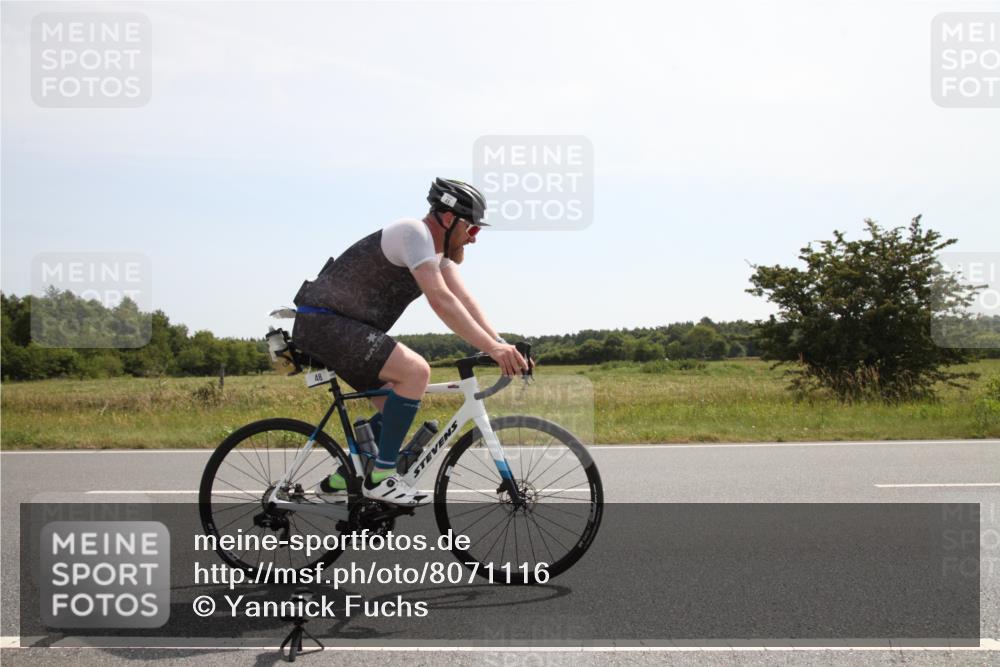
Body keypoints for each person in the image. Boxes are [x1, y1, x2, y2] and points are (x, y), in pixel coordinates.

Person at [291, 178, 529, 506]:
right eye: (472, 230)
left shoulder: (437, 253)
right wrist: (492, 349)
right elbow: (441, 300)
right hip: (324, 321)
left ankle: (339, 482)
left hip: (343, 327)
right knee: (416, 372)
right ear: (449, 219)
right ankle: (380, 478)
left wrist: (500, 343)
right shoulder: (413, 233)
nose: (473, 239)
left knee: (395, 411)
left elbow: (465, 301)